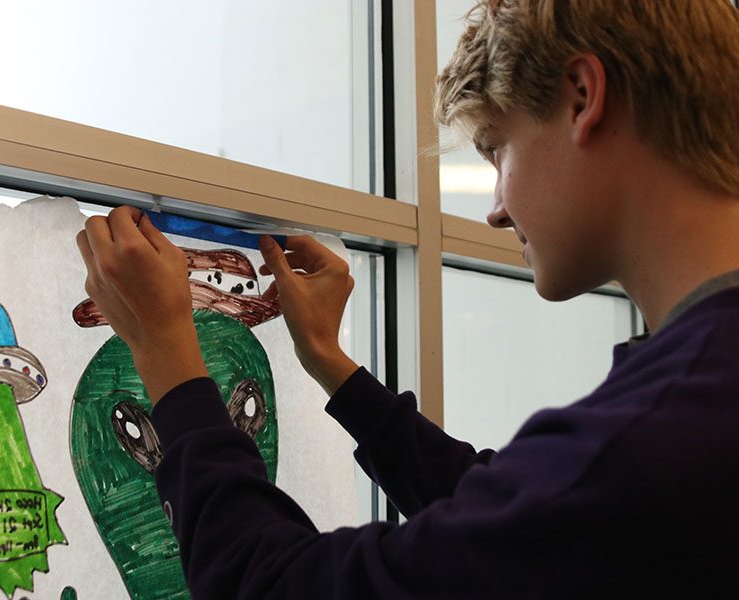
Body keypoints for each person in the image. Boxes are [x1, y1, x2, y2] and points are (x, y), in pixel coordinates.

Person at [76, 0, 739, 596]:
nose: (497, 210)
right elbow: (509, 516)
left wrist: (166, 355)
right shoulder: (689, 413)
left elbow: (273, 585)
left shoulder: (650, 439)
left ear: (582, 95)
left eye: (495, 149)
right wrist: (334, 369)